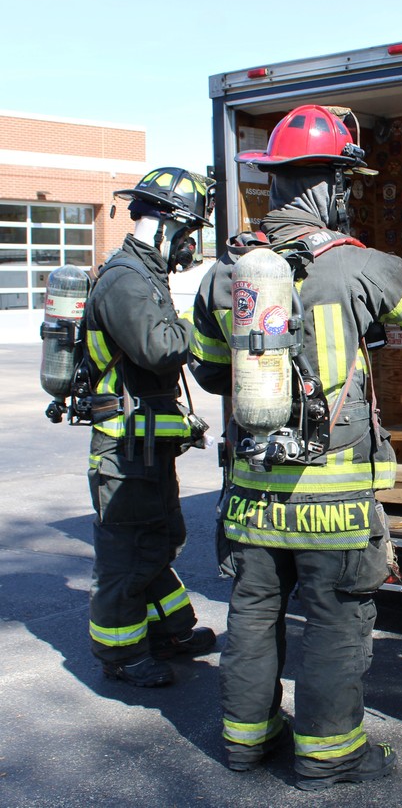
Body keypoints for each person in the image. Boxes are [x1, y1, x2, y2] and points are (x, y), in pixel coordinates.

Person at [188, 104, 402, 791]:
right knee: (334, 624)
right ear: (329, 187)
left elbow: (206, 370)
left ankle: (245, 744)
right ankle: (329, 758)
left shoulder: (224, 274)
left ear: (275, 182)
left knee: (254, 617)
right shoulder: (360, 266)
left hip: (252, 495)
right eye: (345, 183)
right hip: (334, 498)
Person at [84, 167, 217, 687]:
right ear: (163, 224)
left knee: (160, 540)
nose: (189, 245)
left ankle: (170, 631)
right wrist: (200, 323)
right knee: (127, 553)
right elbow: (159, 347)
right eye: (187, 233)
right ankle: (120, 653)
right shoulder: (124, 280)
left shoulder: (145, 277)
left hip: (145, 448)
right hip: (121, 451)